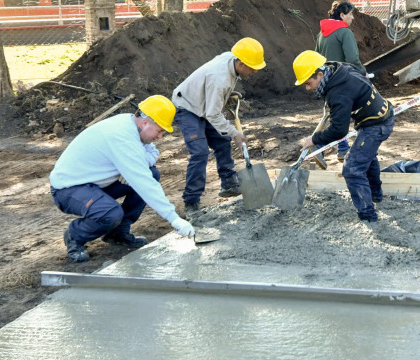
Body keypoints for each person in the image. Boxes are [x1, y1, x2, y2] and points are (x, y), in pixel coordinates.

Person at [49, 95, 195, 263]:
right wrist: (174, 219)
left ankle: (117, 233)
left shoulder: (134, 127)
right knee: (111, 213)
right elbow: (144, 183)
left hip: (96, 184)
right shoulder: (122, 137)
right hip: (69, 189)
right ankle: (75, 235)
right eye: (160, 130)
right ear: (146, 122)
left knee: (152, 174)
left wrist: (131, 165)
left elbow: (153, 153)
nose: (160, 136)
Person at [292, 49, 394, 222]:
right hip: (381, 115)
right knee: (366, 158)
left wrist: (314, 139)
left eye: (308, 83)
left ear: (319, 74)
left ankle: (368, 216)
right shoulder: (338, 68)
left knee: (352, 169)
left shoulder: (338, 93)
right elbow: (361, 71)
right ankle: (376, 195)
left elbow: (339, 130)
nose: (308, 88)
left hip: (376, 125)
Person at [172, 37, 266, 213]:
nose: (254, 72)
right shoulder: (220, 79)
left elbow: (213, 102)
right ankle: (191, 201)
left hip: (204, 104)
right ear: (241, 64)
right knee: (200, 152)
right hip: (187, 107)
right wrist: (235, 133)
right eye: (253, 68)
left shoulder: (231, 57)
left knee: (222, 140)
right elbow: (213, 114)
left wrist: (225, 97)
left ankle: (228, 182)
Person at [315, 0, 366, 157]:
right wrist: (362, 72)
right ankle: (319, 145)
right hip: (342, 81)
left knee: (336, 114)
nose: (353, 17)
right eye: (350, 14)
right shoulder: (344, 32)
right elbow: (352, 59)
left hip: (326, 80)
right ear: (342, 15)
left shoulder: (321, 34)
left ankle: (343, 148)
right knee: (343, 116)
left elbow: (316, 57)